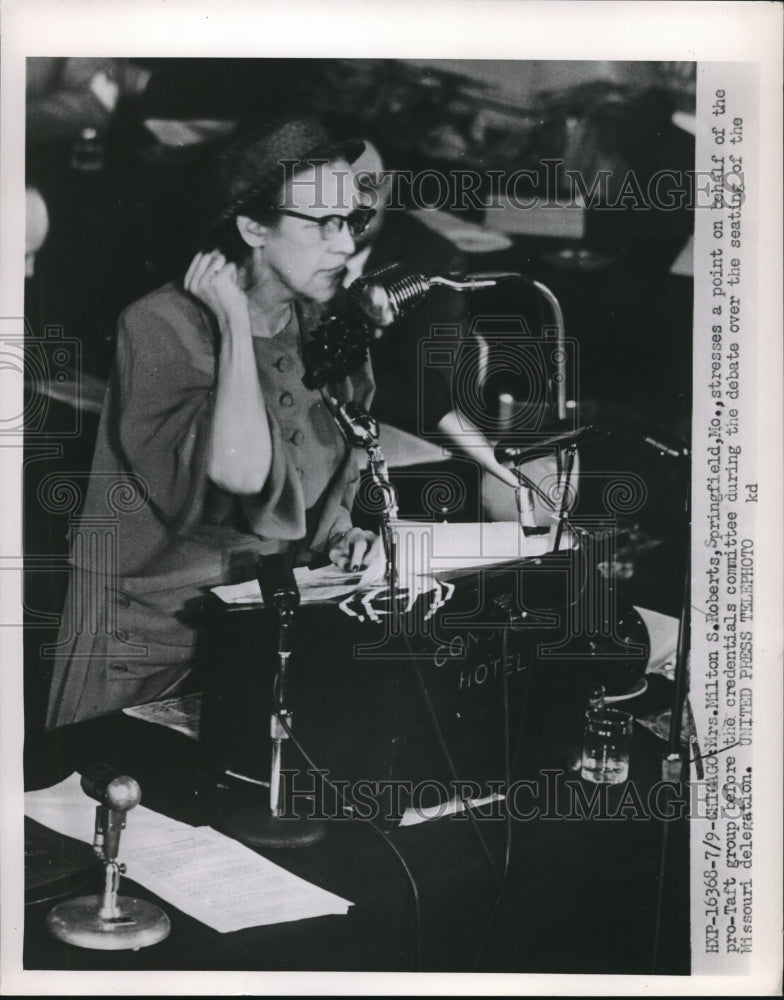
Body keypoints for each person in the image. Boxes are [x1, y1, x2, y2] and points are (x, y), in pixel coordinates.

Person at [45, 118, 380, 728]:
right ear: (253, 228)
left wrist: (341, 539)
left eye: (352, 222)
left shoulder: (325, 327)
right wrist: (231, 321)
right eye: (324, 224)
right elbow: (243, 472)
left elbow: (331, 475)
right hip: (150, 639)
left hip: (263, 628)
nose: (345, 245)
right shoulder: (161, 325)